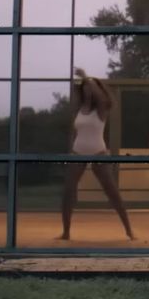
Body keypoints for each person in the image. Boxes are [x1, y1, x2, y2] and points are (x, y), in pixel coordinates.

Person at [58, 69, 135, 241]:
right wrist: (71, 150)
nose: (87, 89)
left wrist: (86, 76)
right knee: (68, 192)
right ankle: (66, 232)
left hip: (98, 151)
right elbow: (75, 131)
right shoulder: (79, 108)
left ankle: (129, 230)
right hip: (78, 152)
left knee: (112, 191)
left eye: (90, 87)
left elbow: (100, 96)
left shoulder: (102, 107)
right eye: (84, 87)